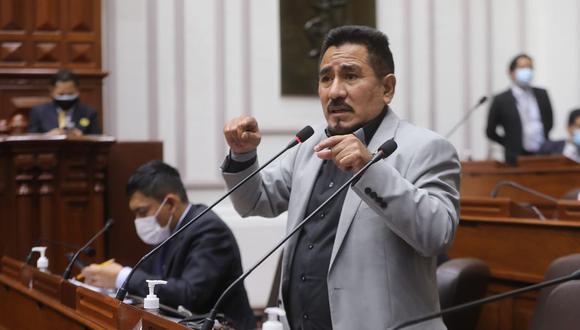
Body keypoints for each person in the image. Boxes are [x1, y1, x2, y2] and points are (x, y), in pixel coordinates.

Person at [221, 26, 460, 330]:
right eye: (325, 79)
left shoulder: (426, 148)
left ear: (387, 88)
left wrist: (369, 169)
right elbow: (255, 201)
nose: (335, 91)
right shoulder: (309, 146)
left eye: (350, 76)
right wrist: (242, 155)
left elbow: (436, 234)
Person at [81, 160, 255, 330]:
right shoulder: (166, 230)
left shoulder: (209, 230)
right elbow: (152, 283)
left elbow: (190, 296)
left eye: (142, 212)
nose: (139, 220)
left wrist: (122, 277)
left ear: (170, 204)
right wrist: (110, 280)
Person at [486, 54, 554, 165]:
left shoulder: (542, 94)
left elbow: (549, 122)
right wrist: (510, 143)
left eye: (530, 67)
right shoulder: (501, 100)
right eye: (522, 67)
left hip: (543, 154)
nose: (527, 71)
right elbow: (490, 131)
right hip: (515, 157)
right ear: (511, 72)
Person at [27, 69, 101, 135]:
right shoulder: (39, 112)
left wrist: (82, 137)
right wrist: (48, 136)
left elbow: (98, 140)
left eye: (70, 94)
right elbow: (31, 139)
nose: (66, 97)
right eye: (61, 94)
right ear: (52, 91)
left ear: (78, 90)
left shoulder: (89, 113)